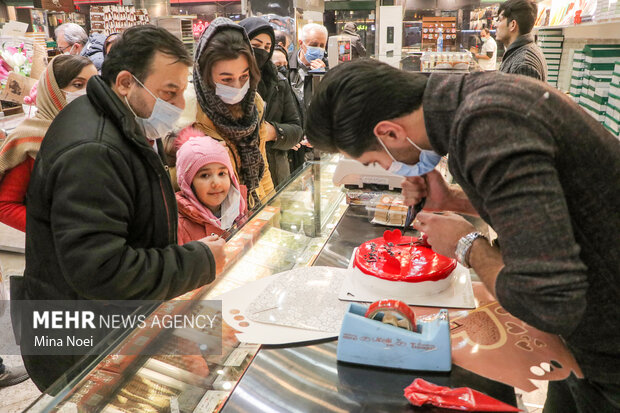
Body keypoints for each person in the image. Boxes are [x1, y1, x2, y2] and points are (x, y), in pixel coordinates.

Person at [305, 59, 620, 413]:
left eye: (376, 162)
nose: (384, 169)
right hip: (588, 341)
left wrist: (467, 246)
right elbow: (547, 208)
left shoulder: (486, 124)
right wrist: (453, 201)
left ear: (389, 133)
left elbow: (548, 301)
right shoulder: (481, 98)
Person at [21, 25, 226, 391]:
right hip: (82, 344)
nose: (179, 105)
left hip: (104, 326)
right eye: (169, 92)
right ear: (126, 82)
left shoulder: (112, 120)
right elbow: (101, 270)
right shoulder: (94, 149)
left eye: (182, 91)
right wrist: (199, 262)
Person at [0, 55, 97, 232]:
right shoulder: (29, 140)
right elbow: (6, 206)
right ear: (53, 91)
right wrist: (57, 230)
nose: (88, 92)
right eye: (78, 85)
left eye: (93, 85)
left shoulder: (98, 129)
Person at [192, 17, 275, 209]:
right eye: (226, 79)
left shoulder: (254, 104)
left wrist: (271, 212)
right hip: (212, 222)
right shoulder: (188, 113)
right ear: (205, 75)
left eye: (244, 76)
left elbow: (263, 168)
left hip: (254, 208)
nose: (238, 87)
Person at [239, 17, 303, 188]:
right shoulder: (231, 82)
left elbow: (296, 130)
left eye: (267, 47)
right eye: (256, 45)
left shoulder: (278, 82)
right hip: (238, 175)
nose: (262, 51)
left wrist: (273, 131)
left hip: (276, 174)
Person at [176, 132, 248, 243]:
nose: (216, 183)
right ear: (188, 184)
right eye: (204, 175)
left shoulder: (239, 207)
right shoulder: (179, 227)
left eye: (222, 173)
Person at [496, 0, 547, 80]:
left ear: (512, 25)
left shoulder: (523, 64)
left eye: (500, 20)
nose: (496, 25)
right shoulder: (520, 52)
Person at [288, 22, 328, 116]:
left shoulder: (328, 68)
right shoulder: (286, 63)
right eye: (314, 45)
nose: (318, 49)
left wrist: (322, 76)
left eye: (322, 45)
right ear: (301, 43)